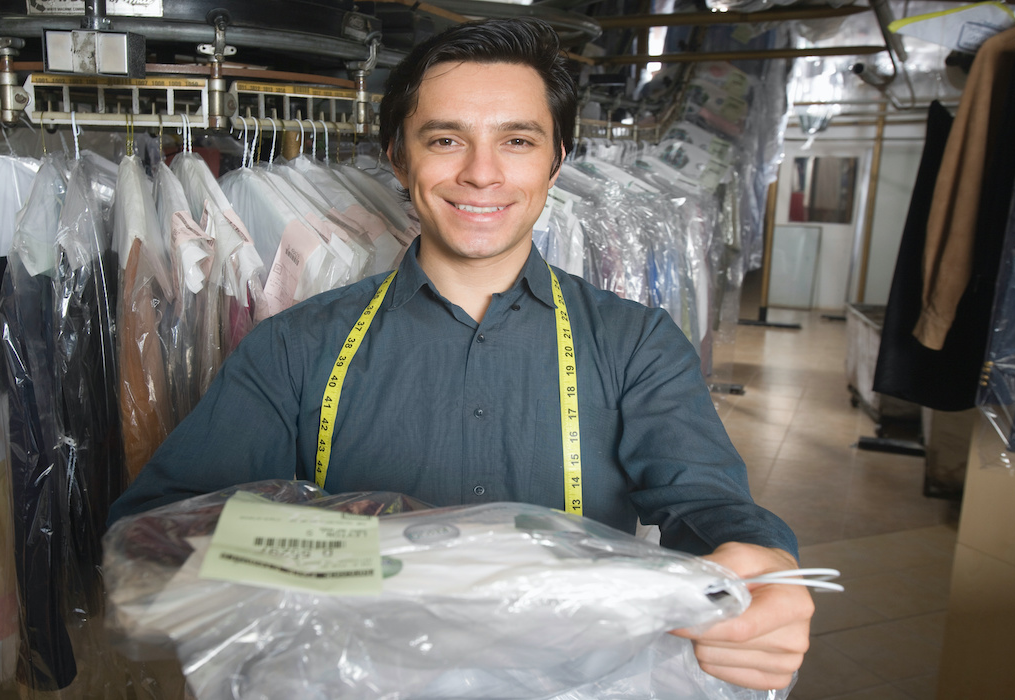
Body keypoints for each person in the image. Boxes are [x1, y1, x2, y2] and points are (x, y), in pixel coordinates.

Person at [108, 17, 812, 691]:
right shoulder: (295, 347)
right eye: (446, 140)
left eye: (517, 141)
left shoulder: (636, 344)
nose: (482, 174)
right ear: (398, 155)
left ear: (557, 160)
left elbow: (709, 505)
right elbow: (157, 533)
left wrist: (764, 565)